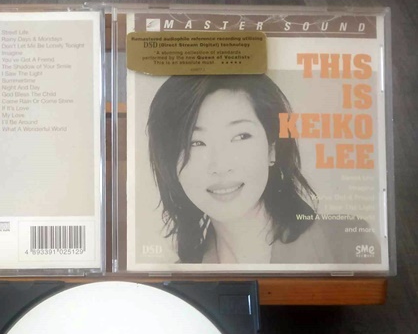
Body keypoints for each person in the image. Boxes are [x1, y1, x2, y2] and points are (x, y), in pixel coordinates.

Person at [146, 74, 377, 264]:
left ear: (272, 149)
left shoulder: (348, 243)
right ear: (170, 163)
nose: (220, 166)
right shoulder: (183, 277)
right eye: (195, 143)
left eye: (240, 136)